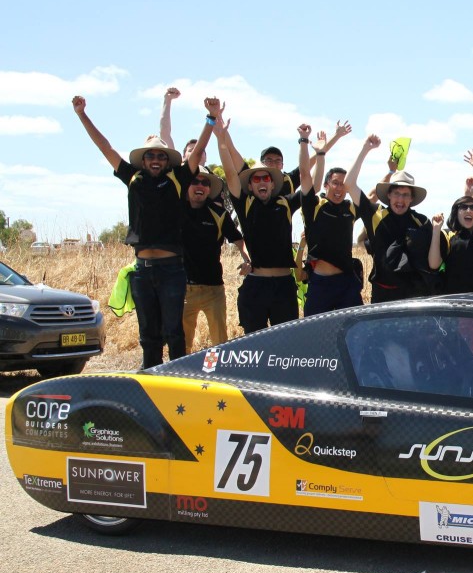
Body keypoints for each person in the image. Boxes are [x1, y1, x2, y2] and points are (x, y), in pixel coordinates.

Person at [72, 95, 213, 368]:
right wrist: (82, 115)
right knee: (148, 334)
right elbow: (105, 147)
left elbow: (197, 153)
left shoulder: (177, 178)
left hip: (172, 269)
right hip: (142, 271)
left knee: (174, 331)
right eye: (151, 155)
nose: (156, 159)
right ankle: (150, 377)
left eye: (161, 156)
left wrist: (211, 118)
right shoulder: (133, 177)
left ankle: (176, 377)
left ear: (167, 160)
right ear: (143, 160)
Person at [217, 111, 303, 333]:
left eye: (266, 178)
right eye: (257, 178)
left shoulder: (286, 203)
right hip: (256, 286)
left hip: (284, 286)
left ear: (273, 184)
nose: (262, 181)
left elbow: (308, 177)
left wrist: (307, 143)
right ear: (250, 184)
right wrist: (221, 138)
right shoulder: (245, 203)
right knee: (255, 346)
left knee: (286, 343)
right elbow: (230, 172)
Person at [345, 135, 432, 303]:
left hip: (414, 295)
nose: (401, 199)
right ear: (389, 195)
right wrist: (365, 149)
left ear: (412, 198)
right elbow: (349, 184)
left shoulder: (422, 222)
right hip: (381, 295)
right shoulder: (375, 215)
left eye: (405, 194)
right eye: (397, 193)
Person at [297, 121, 363, 315]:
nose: (339, 187)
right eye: (335, 183)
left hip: (347, 284)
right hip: (320, 284)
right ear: (326, 185)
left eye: (343, 184)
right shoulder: (315, 206)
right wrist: (305, 142)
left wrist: (391, 170)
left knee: (354, 329)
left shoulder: (350, 208)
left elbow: (373, 197)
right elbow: (304, 175)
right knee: (315, 330)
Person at [180, 169, 247, 350]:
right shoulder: (176, 209)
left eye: (205, 183)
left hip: (214, 289)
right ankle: (182, 369)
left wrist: (248, 259)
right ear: (187, 185)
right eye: (195, 181)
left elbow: (239, 239)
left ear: (209, 189)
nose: (200, 186)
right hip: (183, 290)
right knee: (181, 345)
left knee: (220, 343)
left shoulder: (219, 213)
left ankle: (218, 368)